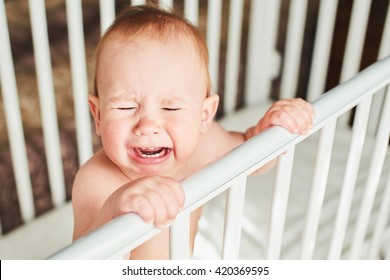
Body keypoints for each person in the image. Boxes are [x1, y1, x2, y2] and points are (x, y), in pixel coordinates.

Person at [71, 5, 315, 259]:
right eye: (127, 106)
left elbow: (252, 157)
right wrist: (114, 209)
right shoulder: (97, 180)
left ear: (204, 116)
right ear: (98, 115)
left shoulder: (205, 145)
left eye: (171, 107)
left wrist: (270, 130)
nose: (147, 126)